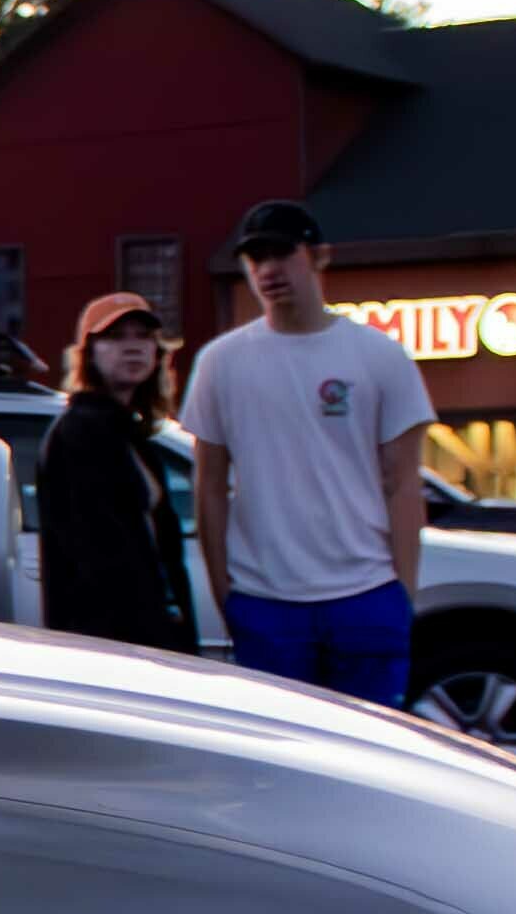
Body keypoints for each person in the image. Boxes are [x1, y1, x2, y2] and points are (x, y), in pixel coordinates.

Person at [181, 198, 434, 705]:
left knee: (368, 743)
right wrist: (227, 595)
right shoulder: (220, 362)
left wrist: (402, 593)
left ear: (319, 256)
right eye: (256, 259)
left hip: (366, 594)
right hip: (265, 600)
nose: (268, 270)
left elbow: (403, 481)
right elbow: (208, 486)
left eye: (282, 254)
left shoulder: (379, 355)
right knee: (280, 747)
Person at [36, 292, 194, 650]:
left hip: (146, 636)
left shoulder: (130, 433)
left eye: (143, 336)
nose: (133, 347)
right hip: (112, 641)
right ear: (89, 353)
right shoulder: (81, 431)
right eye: (116, 337)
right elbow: (102, 555)